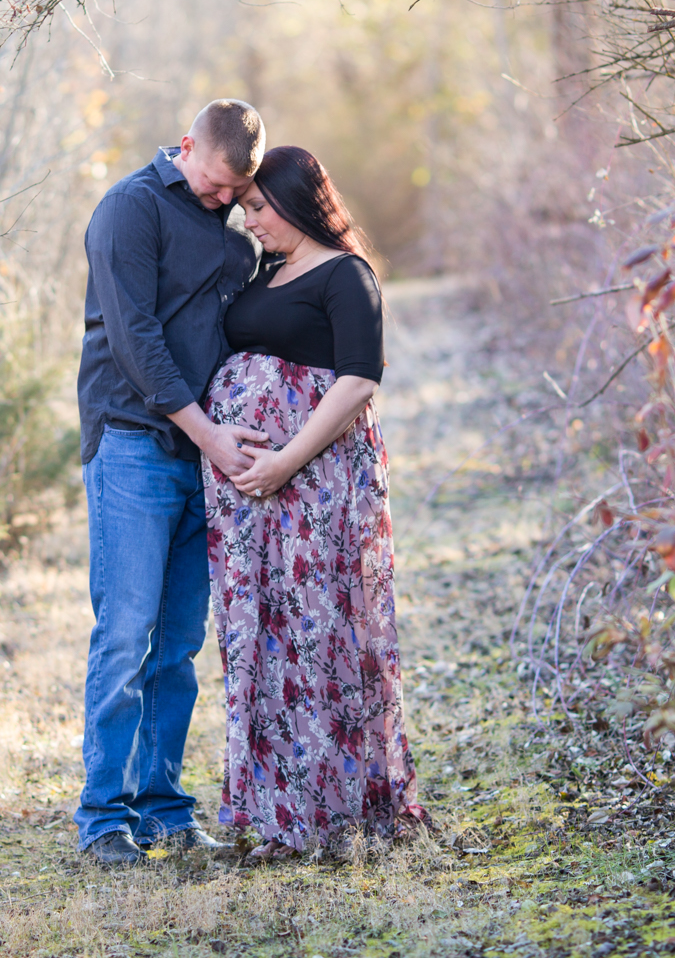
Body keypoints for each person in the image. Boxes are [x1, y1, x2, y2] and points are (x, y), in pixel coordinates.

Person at [202, 145, 429, 861]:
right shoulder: (267, 269)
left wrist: (283, 461)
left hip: (315, 486)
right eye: (246, 208)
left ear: (299, 203)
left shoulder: (347, 273)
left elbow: (359, 380)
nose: (251, 219)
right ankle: (269, 808)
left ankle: (330, 807)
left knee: (317, 633)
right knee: (257, 635)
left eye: (262, 208)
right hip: (252, 496)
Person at [74, 100, 272, 867]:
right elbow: (137, 342)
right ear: (187, 146)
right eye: (219, 185)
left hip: (202, 460)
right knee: (125, 633)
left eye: (236, 194)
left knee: (179, 644)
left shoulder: (228, 242)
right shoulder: (130, 210)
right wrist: (212, 437)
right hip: (133, 443)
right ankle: (103, 819)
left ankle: (163, 811)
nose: (225, 203)